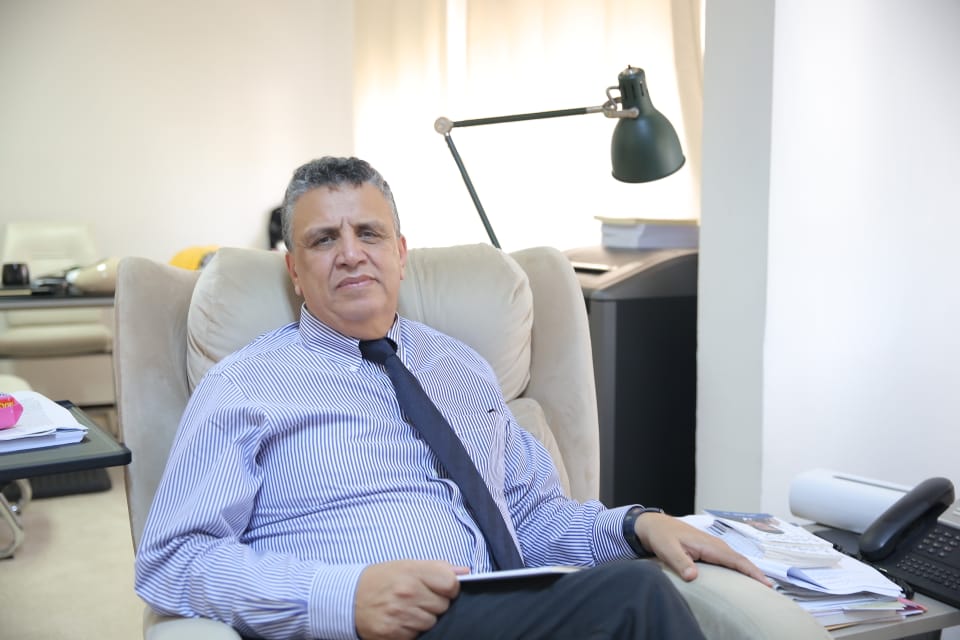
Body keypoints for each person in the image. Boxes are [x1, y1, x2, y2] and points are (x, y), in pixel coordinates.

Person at [135, 156, 768, 640]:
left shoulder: (461, 367)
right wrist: (341, 597)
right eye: (323, 239)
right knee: (636, 600)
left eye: (369, 233)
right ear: (294, 271)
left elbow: (531, 517)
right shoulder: (244, 384)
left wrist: (635, 524)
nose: (351, 254)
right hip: (357, 630)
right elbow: (172, 559)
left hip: (498, 613)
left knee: (636, 585)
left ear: (400, 254)